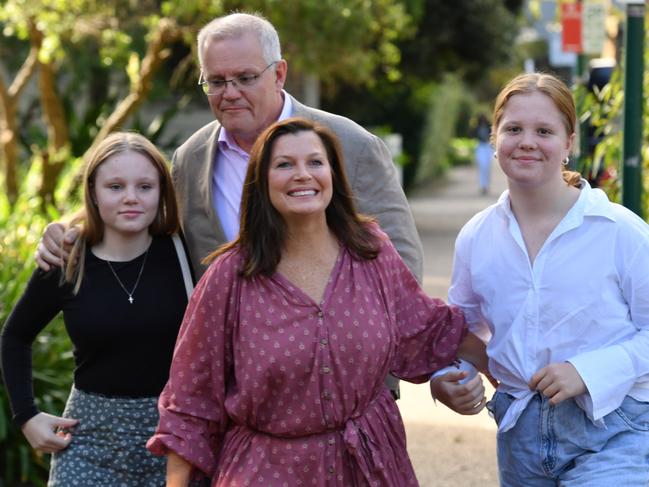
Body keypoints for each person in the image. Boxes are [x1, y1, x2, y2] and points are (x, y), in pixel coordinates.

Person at [35, 11, 423, 400]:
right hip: (238, 391)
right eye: (216, 81)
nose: (230, 92)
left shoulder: (349, 144)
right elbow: (147, 218)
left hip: (343, 380)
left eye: (246, 77)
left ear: (279, 74)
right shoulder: (192, 159)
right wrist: (73, 229)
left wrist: (375, 356)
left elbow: (400, 260)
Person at [146, 117, 488, 486]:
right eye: (284, 165)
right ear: (261, 182)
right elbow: (190, 401)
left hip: (372, 468)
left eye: (314, 162)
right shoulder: (230, 277)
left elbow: (429, 329)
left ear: (333, 174)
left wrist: (510, 375)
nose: (302, 174)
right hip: (268, 473)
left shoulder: (371, 253)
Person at [435, 73, 649, 485]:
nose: (527, 141)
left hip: (615, 429)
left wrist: (588, 371)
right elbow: (462, 331)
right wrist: (452, 378)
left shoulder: (620, 231)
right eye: (513, 129)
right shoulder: (477, 238)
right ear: (494, 139)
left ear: (569, 143)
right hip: (521, 433)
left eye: (544, 131)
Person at [0, 132, 193, 486]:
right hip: (89, 443)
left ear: (162, 192)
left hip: (175, 443)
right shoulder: (67, 261)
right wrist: (26, 416)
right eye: (115, 186)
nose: (131, 198)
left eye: (145, 187)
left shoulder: (184, 254)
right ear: (92, 191)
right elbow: (15, 336)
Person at [474, 113, 493, 195]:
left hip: (487, 147)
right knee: (482, 166)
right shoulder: (476, 128)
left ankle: (486, 185)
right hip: (480, 146)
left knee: (486, 167)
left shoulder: (489, 127)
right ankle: (483, 186)